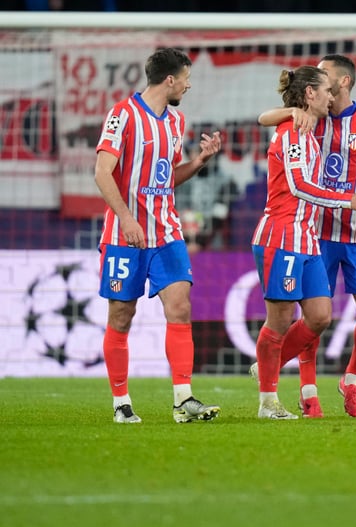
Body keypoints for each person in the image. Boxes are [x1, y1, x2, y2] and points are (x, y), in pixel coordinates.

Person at [254, 54, 356, 418]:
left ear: (342, 81)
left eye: (325, 71)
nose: (320, 76)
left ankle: (349, 380)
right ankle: (308, 393)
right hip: (315, 231)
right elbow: (265, 119)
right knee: (311, 315)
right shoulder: (307, 119)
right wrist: (289, 112)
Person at [94, 47, 222, 424]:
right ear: (170, 80)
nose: (188, 85)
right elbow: (102, 172)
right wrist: (127, 219)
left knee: (180, 306)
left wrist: (198, 163)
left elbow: (165, 179)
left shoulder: (176, 121)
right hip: (125, 236)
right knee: (122, 315)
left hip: (166, 231)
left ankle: (183, 399)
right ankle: (121, 403)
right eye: (185, 78)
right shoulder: (122, 115)